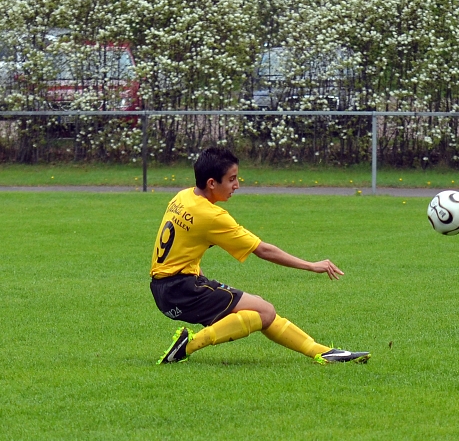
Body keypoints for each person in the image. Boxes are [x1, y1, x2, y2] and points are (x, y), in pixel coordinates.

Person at [151, 146, 370, 364]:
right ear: (211, 183)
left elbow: (183, 245)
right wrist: (311, 265)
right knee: (265, 311)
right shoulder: (212, 216)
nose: (237, 185)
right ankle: (186, 346)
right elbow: (262, 249)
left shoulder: (183, 196)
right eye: (232, 179)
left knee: (259, 307)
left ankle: (322, 352)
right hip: (180, 289)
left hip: (169, 287)